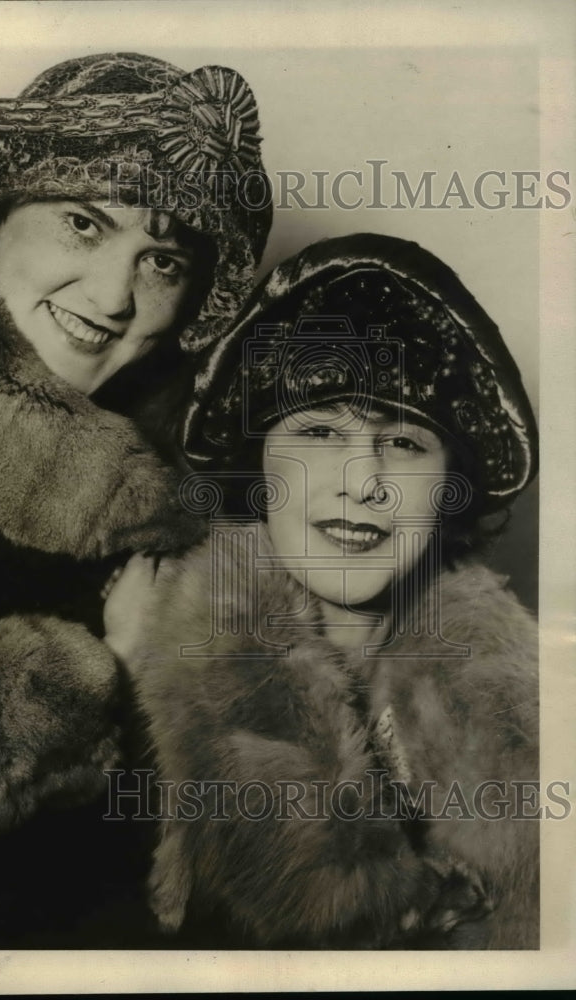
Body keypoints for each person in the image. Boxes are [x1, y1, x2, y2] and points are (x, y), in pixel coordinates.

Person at [0, 52, 270, 945]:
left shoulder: (175, 499)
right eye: (85, 223)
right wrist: (123, 674)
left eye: (162, 259)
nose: (115, 296)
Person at [104, 233, 540, 949]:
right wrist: (132, 687)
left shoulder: (538, 712)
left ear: (447, 488)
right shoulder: (121, 666)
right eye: (317, 433)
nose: (360, 481)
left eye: (402, 443)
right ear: (260, 464)